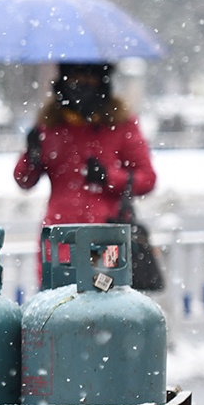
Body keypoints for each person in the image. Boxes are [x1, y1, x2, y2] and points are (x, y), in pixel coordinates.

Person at [14, 61, 157, 273]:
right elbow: (24, 180)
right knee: (57, 302)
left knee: (105, 302)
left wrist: (108, 177)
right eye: (75, 80)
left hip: (107, 236)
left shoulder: (120, 124)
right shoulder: (50, 125)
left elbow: (147, 179)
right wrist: (31, 155)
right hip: (59, 236)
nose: (81, 88)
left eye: (89, 81)